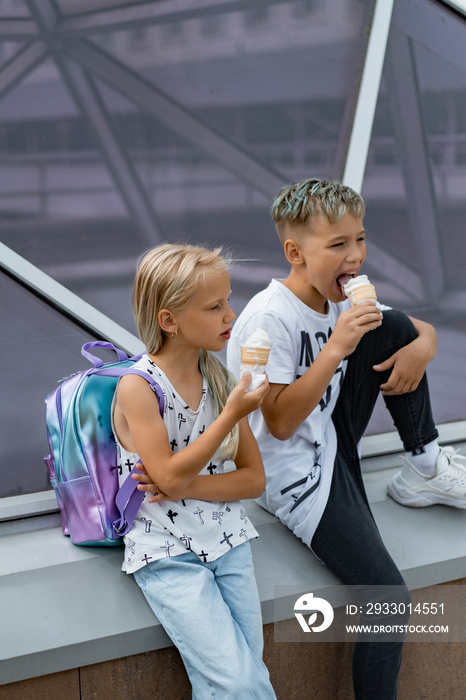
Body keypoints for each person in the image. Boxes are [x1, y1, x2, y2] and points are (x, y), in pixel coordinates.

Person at [226, 178, 466, 700]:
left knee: (397, 328)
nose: (354, 255)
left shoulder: (334, 296)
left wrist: (422, 345)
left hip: (331, 430)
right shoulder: (270, 319)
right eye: (337, 245)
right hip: (295, 472)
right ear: (295, 252)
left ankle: (425, 467)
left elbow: (414, 328)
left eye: (359, 239)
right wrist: (337, 346)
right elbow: (281, 423)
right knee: (390, 601)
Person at [112, 243, 276, 699]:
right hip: (167, 554)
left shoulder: (221, 379)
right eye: (215, 306)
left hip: (229, 543)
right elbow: (165, 478)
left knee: (236, 681)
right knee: (240, 681)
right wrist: (229, 417)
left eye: (227, 300)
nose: (230, 314)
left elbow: (253, 479)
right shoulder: (138, 387)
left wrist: (186, 483)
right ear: (170, 320)